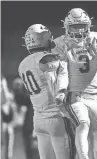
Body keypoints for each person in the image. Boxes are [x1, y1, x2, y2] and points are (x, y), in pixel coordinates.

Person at [53, 8, 97, 159]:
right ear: (67, 27)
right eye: (75, 26)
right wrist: (61, 91)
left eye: (82, 25)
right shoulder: (61, 43)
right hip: (76, 95)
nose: (79, 30)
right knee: (83, 124)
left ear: (88, 25)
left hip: (96, 96)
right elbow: (61, 71)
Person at [18, 24, 75, 159]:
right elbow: (57, 81)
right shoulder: (49, 59)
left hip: (38, 119)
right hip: (56, 117)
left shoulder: (23, 64)